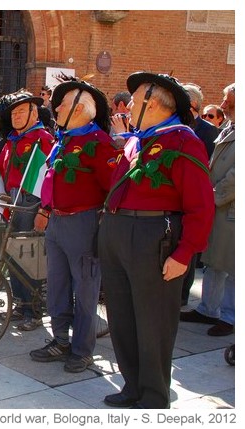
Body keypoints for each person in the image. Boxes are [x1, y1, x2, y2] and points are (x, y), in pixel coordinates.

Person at [99, 72, 214, 409]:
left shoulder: (183, 141)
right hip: (119, 234)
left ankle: (153, 396)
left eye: (135, 101)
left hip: (154, 237)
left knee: (153, 323)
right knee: (121, 317)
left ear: (154, 105)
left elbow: (201, 205)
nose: (128, 106)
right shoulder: (137, 140)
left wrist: (185, 252)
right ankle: (132, 386)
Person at [31, 78, 116, 372]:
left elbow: (113, 186)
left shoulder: (99, 142)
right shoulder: (64, 140)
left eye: (63, 104)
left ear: (80, 109)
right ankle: (60, 340)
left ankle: (82, 349)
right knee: (57, 285)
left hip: (84, 222)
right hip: (57, 221)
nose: (56, 108)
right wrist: (44, 210)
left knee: (86, 289)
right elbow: (51, 180)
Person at [0, 90, 54, 331]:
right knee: (12, 255)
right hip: (12, 200)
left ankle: (34, 310)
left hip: (31, 201)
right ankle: (19, 304)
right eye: (14, 113)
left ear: (34, 112)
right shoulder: (12, 140)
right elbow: (1, 168)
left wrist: (44, 210)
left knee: (28, 257)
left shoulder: (43, 138)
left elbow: (49, 175)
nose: (16, 117)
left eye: (22, 111)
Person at [180, 83, 235, 337]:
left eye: (228, 101)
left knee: (233, 264)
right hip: (219, 207)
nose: (223, 105)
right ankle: (208, 308)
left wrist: (214, 197)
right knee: (214, 260)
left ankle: (231, 316)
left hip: (229, 207)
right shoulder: (229, 129)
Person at [179, 83, 220, 305]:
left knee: (191, 250)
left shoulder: (207, 131)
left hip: (194, 194)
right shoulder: (178, 126)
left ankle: (183, 295)